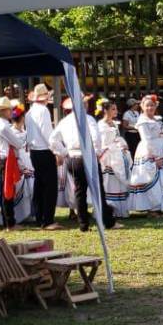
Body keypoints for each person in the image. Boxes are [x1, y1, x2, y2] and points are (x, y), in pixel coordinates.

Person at [49, 95, 107, 232]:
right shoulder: (88, 119)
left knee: (80, 191)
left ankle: (83, 224)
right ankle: (105, 220)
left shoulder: (64, 121)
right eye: (85, 103)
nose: (86, 105)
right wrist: (96, 153)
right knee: (98, 190)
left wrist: (64, 152)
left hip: (72, 158)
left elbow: (52, 140)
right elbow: (95, 138)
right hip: (85, 156)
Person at [128, 95, 163, 216]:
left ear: (156, 106)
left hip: (161, 149)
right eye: (147, 105)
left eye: (152, 105)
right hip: (149, 151)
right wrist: (155, 157)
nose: (150, 107)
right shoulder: (143, 122)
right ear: (142, 106)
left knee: (162, 178)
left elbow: (160, 134)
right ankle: (152, 208)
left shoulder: (157, 119)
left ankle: (159, 206)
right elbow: (146, 140)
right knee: (151, 177)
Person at [26, 84, 60, 230]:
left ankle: (40, 217)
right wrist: (57, 151)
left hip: (34, 152)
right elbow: (48, 134)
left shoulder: (29, 112)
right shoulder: (43, 111)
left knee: (39, 185)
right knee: (50, 186)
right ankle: (48, 220)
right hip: (45, 150)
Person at [1, 101, 34, 229]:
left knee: (29, 188)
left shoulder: (25, 132)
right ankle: (18, 216)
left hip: (27, 160)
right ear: (22, 118)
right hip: (18, 161)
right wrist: (21, 165)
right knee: (19, 189)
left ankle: (28, 213)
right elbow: (16, 149)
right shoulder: (10, 131)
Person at [98, 98, 133, 219]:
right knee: (109, 182)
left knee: (119, 182)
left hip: (117, 154)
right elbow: (101, 142)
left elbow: (117, 138)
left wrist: (122, 145)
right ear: (105, 110)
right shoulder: (101, 125)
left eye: (116, 109)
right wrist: (111, 148)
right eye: (113, 109)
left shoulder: (114, 123)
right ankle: (109, 209)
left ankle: (120, 210)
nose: (116, 111)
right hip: (107, 156)